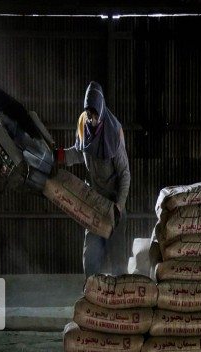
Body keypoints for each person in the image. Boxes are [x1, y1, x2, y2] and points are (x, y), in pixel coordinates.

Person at [55, 81, 131, 278]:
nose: (91, 117)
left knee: (118, 264)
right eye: (88, 113)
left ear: (101, 109)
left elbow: (125, 174)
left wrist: (119, 206)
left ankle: (120, 295)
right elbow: (80, 152)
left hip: (113, 206)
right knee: (90, 258)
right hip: (94, 203)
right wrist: (60, 156)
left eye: (94, 113)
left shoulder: (114, 133)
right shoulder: (83, 124)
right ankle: (91, 294)